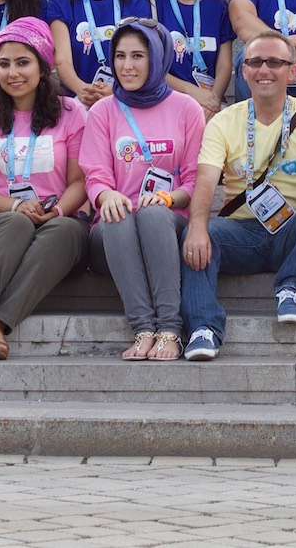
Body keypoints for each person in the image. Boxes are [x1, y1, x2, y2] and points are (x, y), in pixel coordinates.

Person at [180, 28, 296, 360]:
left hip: (294, 231)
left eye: (274, 62)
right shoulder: (223, 121)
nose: (264, 70)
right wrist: (197, 227)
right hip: (242, 232)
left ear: (292, 70)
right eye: (255, 62)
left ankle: (294, 287)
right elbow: (206, 182)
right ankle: (202, 327)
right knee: (196, 233)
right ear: (244, 71)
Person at [0, 17, 89, 361]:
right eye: (4, 64)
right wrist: (15, 207)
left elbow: (79, 182)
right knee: (16, 222)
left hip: (56, 221)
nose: (12, 73)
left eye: (23, 63)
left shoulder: (71, 113)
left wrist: (57, 210)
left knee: (67, 230)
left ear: (42, 66)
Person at [83, 19, 205, 362]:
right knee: (120, 214)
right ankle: (142, 328)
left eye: (138, 55)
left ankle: (169, 328)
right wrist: (107, 195)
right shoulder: (103, 111)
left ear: (157, 57)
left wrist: (168, 198)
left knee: (152, 213)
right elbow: (95, 175)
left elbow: (195, 181)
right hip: (114, 231)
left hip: (169, 224)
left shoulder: (187, 108)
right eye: (120, 56)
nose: (126, 66)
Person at [144, 0, 233, 115]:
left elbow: (224, 65)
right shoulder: (150, 6)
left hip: (211, 105)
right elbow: (149, 66)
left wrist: (213, 100)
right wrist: (191, 92)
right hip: (166, 104)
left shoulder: (219, 8)